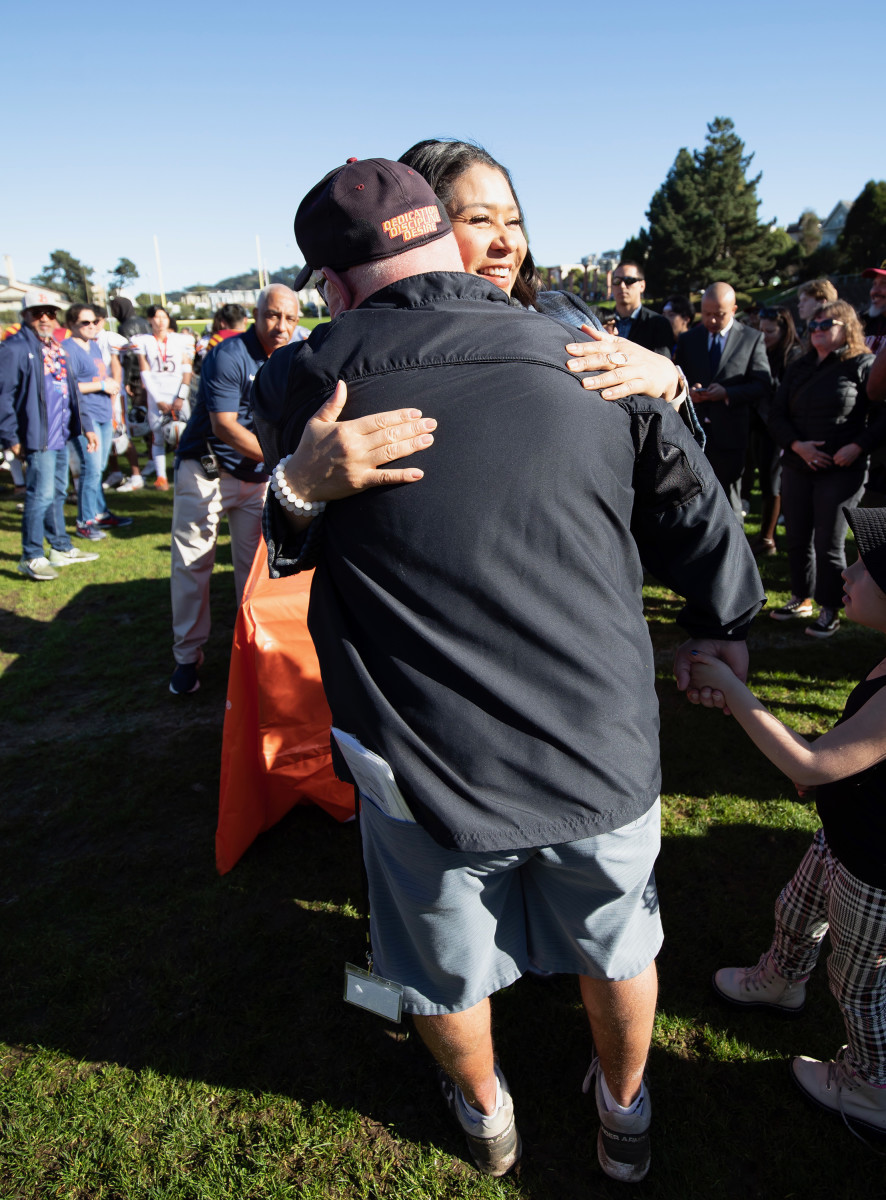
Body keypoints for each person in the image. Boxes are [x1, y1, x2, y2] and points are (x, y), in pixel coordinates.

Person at [253, 156, 765, 1182]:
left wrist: (293, 492)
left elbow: (289, 536)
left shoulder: (312, 372)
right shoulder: (586, 352)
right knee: (617, 948)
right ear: (444, 234)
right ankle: (621, 1107)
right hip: (589, 737)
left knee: (447, 965)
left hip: (428, 751)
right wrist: (721, 622)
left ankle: (490, 1114)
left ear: (335, 284)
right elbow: (708, 533)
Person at [689, 505, 886, 1138]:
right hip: (845, 840)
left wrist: (734, 691)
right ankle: (781, 982)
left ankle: (871, 1087)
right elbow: (847, 753)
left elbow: (814, 761)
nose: (849, 571)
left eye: (867, 566)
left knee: (859, 989)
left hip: (876, 872)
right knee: (796, 911)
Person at [168, 285, 299, 695]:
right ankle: (187, 657)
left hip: (256, 475)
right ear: (256, 315)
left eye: (290, 319)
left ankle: (253, 652)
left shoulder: (295, 356)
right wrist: (282, 458)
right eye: (273, 316)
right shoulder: (229, 354)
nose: (281, 327)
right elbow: (224, 424)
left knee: (255, 570)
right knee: (193, 564)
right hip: (206, 468)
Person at [768, 300, 881, 637]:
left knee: (829, 542)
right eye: (813, 326)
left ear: (846, 326)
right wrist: (797, 446)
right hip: (797, 463)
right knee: (797, 536)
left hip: (841, 468)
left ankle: (830, 607)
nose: (817, 331)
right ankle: (800, 598)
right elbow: (777, 414)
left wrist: (858, 446)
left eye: (825, 324)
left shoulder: (864, 364)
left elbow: (881, 417)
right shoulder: (799, 366)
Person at [0, 291, 99, 580]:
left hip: (61, 433)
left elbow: (71, 392)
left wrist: (86, 425)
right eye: (37, 312)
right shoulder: (14, 348)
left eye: (50, 313)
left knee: (56, 493)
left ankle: (60, 547)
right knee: (39, 495)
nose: (45, 318)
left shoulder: (55, 347)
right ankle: (31, 555)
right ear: (25, 315)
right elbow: (3, 396)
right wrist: (10, 437)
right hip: (37, 435)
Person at [675, 282, 772, 520]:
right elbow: (678, 377)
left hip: (731, 432)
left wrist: (728, 393)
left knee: (729, 498)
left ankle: (734, 549)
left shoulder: (751, 338)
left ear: (734, 309)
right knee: (694, 497)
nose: (712, 320)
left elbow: (762, 384)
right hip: (694, 432)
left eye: (719, 315)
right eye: (706, 314)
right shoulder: (689, 339)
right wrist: (689, 391)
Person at [64, 304, 132, 539]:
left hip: (102, 412)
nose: (92, 326)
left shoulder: (92, 345)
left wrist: (109, 389)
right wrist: (102, 385)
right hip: (85, 417)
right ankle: (84, 522)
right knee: (90, 470)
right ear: (72, 324)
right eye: (85, 322)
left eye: (94, 322)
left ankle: (100, 513)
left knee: (98, 469)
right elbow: (69, 387)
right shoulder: (68, 349)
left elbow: (98, 375)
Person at [746, 306, 803, 555]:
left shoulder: (794, 356)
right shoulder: (759, 350)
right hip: (757, 423)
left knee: (772, 483)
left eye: (769, 331)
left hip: (779, 427)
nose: (763, 335)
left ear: (784, 330)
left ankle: (768, 538)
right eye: (760, 329)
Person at [132, 304, 194, 490]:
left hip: (178, 395)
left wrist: (181, 396)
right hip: (156, 396)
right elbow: (145, 372)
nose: (161, 322)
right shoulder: (144, 341)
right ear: (150, 320)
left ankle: (183, 475)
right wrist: (157, 398)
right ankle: (161, 477)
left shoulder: (180, 340)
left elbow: (187, 368)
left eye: (164, 317)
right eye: (156, 317)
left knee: (182, 436)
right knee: (158, 437)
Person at [610, 261, 674, 358]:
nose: (622, 286)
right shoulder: (600, 320)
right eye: (617, 281)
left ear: (642, 285)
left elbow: (661, 364)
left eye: (629, 280)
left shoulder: (658, 324)